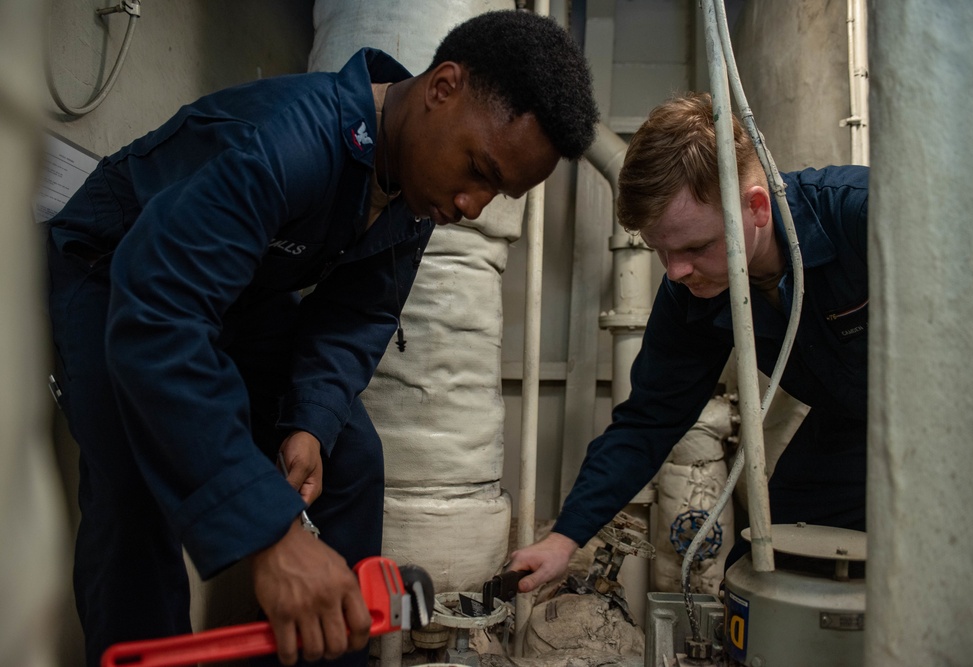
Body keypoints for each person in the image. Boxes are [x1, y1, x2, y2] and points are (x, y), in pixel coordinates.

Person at [45, 10, 598, 667]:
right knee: (137, 479)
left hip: (233, 295)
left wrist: (307, 422)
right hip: (120, 277)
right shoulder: (281, 142)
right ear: (442, 87)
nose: (473, 205)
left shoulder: (417, 184)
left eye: (496, 192)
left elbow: (357, 313)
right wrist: (271, 535)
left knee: (348, 453)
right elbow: (160, 319)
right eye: (478, 169)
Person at [510, 92, 869, 593]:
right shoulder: (693, 290)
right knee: (762, 572)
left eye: (696, 247)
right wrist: (565, 538)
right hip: (854, 425)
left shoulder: (863, 217)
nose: (675, 270)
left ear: (758, 207)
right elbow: (649, 421)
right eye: (661, 250)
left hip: (958, 425)